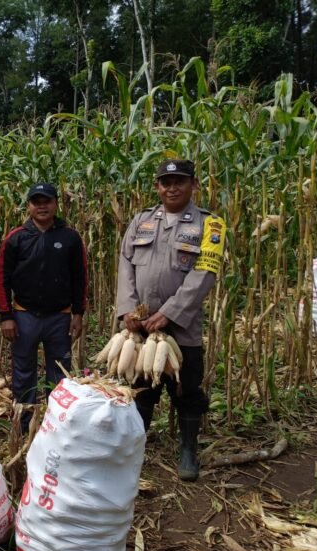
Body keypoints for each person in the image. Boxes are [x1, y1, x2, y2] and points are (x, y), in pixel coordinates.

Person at [116, 159, 226, 481]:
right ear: (157, 186)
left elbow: (204, 273)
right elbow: (125, 264)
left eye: (179, 181)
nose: (172, 187)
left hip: (182, 328)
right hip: (141, 327)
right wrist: (128, 308)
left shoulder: (210, 225)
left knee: (186, 390)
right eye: (166, 181)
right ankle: (136, 448)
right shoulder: (141, 221)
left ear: (194, 184)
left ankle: (188, 449)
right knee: (140, 388)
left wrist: (170, 313)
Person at [0, 183, 88, 431]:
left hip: (60, 317)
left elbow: (80, 277)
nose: (41, 206)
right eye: (36, 201)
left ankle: (56, 424)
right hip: (25, 315)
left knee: (59, 374)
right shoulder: (16, 238)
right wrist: (6, 316)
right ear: (28, 206)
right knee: (23, 372)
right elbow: (1, 279)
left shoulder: (69, 237)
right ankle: (24, 424)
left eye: (46, 201)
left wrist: (78, 313)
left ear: (56, 203)